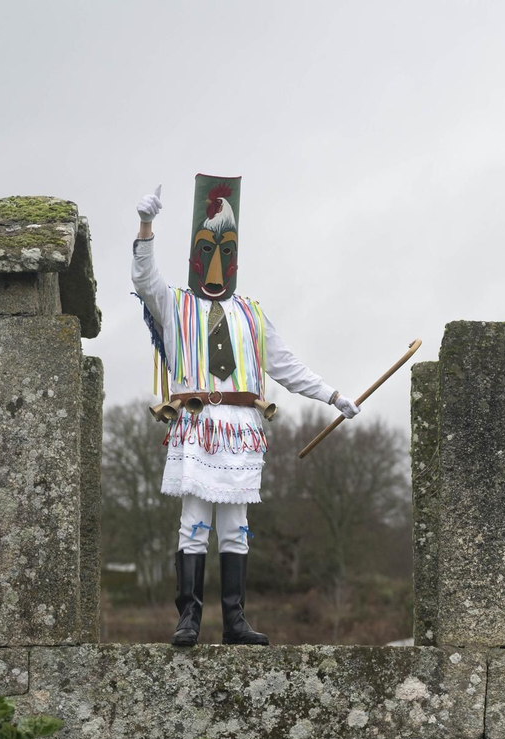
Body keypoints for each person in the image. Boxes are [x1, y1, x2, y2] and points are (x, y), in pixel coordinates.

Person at [133, 176, 358, 646]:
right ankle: (188, 619)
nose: (217, 262)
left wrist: (333, 396)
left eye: (226, 251)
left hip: (240, 429)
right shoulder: (176, 306)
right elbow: (144, 280)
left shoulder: (252, 314)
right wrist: (146, 225)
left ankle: (235, 622)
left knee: (236, 528)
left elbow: (287, 366)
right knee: (193, 524)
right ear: (195, 255)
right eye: (209, 250)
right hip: (195, 424)